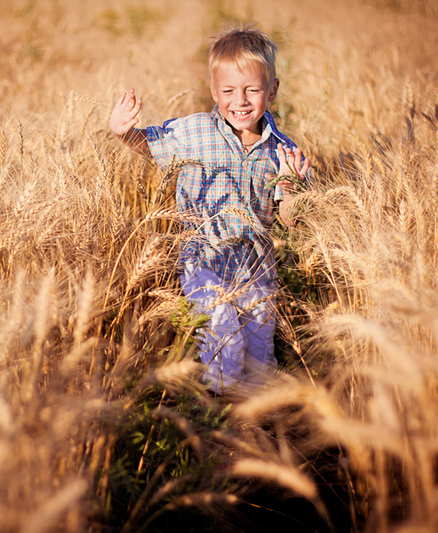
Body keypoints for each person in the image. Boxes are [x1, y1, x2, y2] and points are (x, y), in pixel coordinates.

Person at [108, 25, 309, 393]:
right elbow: (149, 145)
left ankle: (253, 415)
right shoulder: (195, 132)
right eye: (229, 91)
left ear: (272, 90)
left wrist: (290, 186)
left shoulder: (283, 150)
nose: (240, 101)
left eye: (252, 90)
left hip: (257, 270)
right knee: (224, 333)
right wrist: (123, 132)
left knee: (259, 354)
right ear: (214, 91)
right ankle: (220, 407)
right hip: (205, 262)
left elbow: (290, 220)